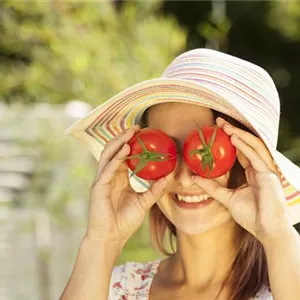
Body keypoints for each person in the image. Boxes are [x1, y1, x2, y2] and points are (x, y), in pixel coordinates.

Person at [60, 49, 300, 300]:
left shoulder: (285, 285)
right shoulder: (111, 289)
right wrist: (102, 241)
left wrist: (277, 235)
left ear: (250, 164)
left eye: (206, 153)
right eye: (164, 151)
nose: (184, 178)